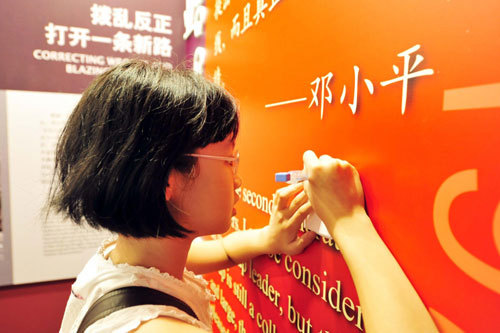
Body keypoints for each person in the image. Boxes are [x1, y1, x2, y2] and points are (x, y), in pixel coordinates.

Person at [51, 59, 437, 333]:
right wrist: (350, 222)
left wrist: (267, 239)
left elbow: (200, 256)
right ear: (166, 180)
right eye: (228, 160)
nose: (238, 180)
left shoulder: (127, 257)